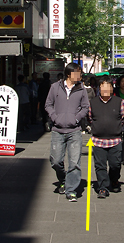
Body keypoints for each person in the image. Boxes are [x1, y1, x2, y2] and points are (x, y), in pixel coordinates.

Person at [45, 62, 90, 202]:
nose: (80, 75)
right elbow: (48, 104)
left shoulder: (82, 90)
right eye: (78, 73)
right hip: (58, 130)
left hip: (74, 131)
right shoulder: (55, 87)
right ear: (69, 74)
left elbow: (85, 107)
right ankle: (63, 179)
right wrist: (54, 117)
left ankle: (71, 190)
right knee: (56, 160)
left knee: (74, 162)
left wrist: (76, 119)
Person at [88, 78, 124, 198]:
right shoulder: (93, 103)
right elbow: (90, 118)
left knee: (115, 164)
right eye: (102, 87)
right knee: (100, 165)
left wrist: (115, 127)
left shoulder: (120, 102)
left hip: (115, 140)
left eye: (108, 86)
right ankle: (103, 187)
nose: (105, 89)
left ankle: (114, 180)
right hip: (98, 140)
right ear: (99, 88)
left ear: (112, 88)